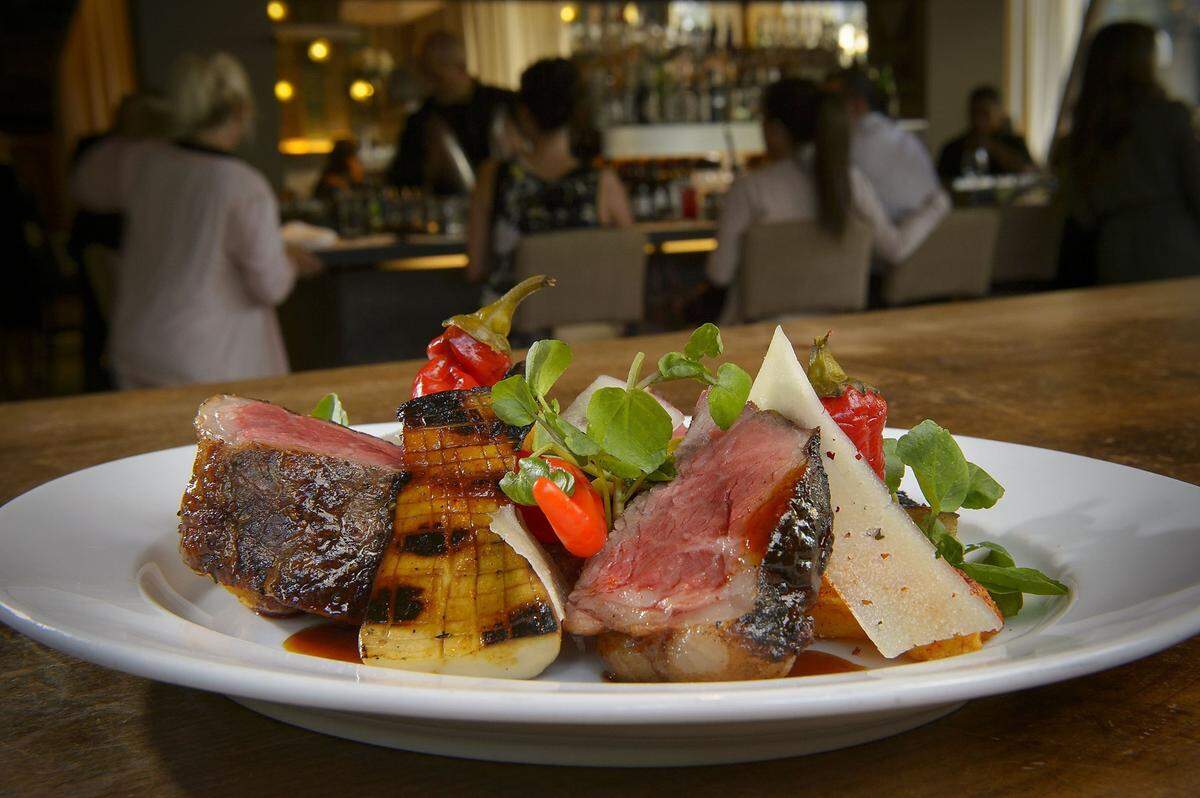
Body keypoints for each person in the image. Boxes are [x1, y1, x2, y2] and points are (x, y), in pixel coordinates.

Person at [70, 52, 321, 389]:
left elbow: (83, 184)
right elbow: (270, 285)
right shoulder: (242, 184)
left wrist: (131, 135)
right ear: (242, 111)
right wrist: (290, 260)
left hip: (138, 345)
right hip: (209, 357)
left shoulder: (143, 159)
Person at [698, 79, 950, 319]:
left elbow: (719, 275)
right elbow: (894, 248)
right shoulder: (849, 180)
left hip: (758, 338)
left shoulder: (750, 189)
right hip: (835, 335)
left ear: (774, 130)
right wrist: (938, 205)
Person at [466, 57, 633, 297]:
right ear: (576, 113)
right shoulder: (603, 183)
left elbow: (475, 269)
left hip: (511, 320)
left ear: (524, 113)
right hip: (585, 315)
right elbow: (630, 262)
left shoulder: (492, 176)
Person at [1057, 22, 1200, 285]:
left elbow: (1082, 212)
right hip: (1173, 243)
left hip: (1115, 250)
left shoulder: (1085, 131)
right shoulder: (1169, 118)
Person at [387, 32, 513, 194]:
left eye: (435, 74)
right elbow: (401, 179)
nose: (429, 81)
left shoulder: (504, 104)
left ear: (461, 67)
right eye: (425, 72)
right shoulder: (420, 121)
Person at [832, 67, 943, 223]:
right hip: (931, 230)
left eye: (834, 105)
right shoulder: (905, 138)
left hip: (895, 232)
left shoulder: (852, 143)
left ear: (857, 104)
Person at [937, 86, 1034, 185]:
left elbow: (1030, 174)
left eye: (985, 114)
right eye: (974, 113)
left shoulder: (1014, 143)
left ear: (999, 113)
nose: (979, 120)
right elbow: (939, 182)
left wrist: (995, 149)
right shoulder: (953, 148)